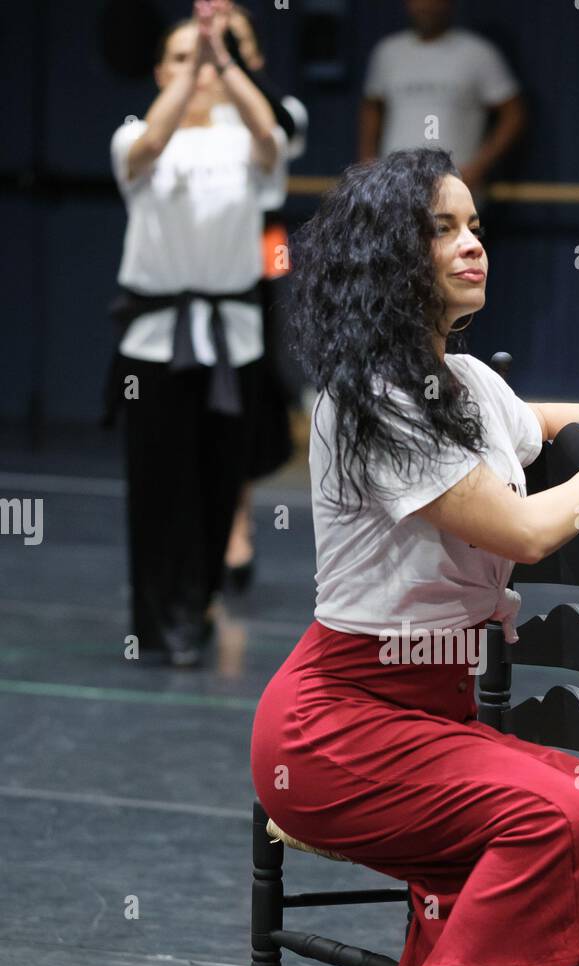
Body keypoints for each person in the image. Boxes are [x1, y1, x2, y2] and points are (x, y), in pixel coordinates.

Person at [250, 147, 579, 966]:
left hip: (428, 720)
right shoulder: (370, 401)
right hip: (334, 728)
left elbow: (530, 422)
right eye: (440, 228)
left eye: (472, 223)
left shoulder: (463, 383)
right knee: (548, 820)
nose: (470, 242)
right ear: (391, 256)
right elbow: (521, 526)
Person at [107, 0, 290, 666]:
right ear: (160, 72)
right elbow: (149, 146)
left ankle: (201, 601)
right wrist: (196, 66)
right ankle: (160, 623)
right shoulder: (135, 136)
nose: (199, 68)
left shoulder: (247, 140)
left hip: (231, 340)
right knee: (160, 485)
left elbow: (271, 132)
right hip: (154, 347)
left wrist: (225, 57)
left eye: (204, 58)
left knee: (218, 480)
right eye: (181, 58)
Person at [209, 0, 310, 592]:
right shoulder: (186, 115)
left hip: (264, 244)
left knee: (254, 377)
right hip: (197, 257)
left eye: (237, 42)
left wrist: (230, 65)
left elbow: (282, 128)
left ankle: (238, 521)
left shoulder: (279, 109)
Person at [359, 0, 526, 200]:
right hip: (394, 189)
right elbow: (372, 108)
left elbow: (514, 113)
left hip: (456, 186)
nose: (426, 6)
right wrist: (368, 165)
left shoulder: (479, 52)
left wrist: (478, 168)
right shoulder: (388, 52)